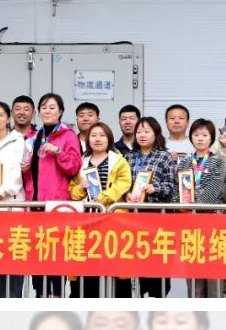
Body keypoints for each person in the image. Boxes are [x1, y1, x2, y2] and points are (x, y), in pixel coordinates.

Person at [20, 93, 82, 298]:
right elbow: (34, 172)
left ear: (60, 111)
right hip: (36, 203)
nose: (47, 111)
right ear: (38, 112)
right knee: (38, 255)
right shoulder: (35, 136)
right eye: (44, 107)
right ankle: (40, 297)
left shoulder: (67, 135)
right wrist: (26, 168)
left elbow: (74, 167)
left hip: (57, 204)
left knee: (56, 255)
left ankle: (56, 299)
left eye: (52, 107)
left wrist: (57, 151)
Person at [70, 122, 131, 297]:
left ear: (109, 139)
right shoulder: (81, 161)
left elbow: (124, 182)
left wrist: (103, 198)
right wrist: (80, 189)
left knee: (116, 264)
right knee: (87, 264)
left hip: (113, 220)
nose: (98, 139)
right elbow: (72, 190)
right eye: (94, 135)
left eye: (102, 135)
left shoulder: (118, 160)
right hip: (87, 222)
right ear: (88, 139)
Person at [177, 119, 226, 297]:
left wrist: (192, 203)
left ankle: (215, 307)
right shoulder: (184, 162)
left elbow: (215, 188)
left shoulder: (218, 161)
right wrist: (180, 203)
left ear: (211, 138)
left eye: (205, 135)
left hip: (212, 222)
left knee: (214, 268)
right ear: (191, 137)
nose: (200, 138)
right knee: (193, 269)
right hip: (189, 224)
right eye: (196, 134)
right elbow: (177, 189)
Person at [127, 116, 176, 299]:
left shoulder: (164, 156)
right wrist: (126, 195)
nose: (142, 135)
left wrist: (156, 188)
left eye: (147, 131)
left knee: (158, 262)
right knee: (137, 262)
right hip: (133, 217)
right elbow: (123, 183)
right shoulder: (129, 156)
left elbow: (172, 185)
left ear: (156, 134)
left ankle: (157, 300)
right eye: (139, 132)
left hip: (157, 216)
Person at [0, 101, 27, 298]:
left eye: (1, 115)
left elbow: (18, 171)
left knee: (15, 252)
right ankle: (1, 297)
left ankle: (15, 298)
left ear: (8, 118)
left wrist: (2, 191)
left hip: (13, 205)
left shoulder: (18, 140)